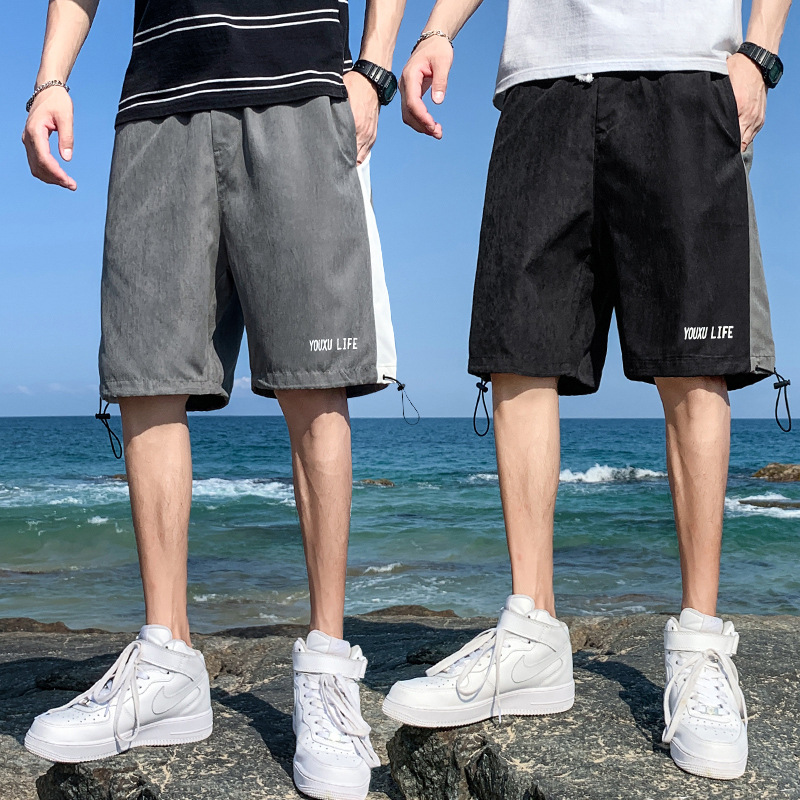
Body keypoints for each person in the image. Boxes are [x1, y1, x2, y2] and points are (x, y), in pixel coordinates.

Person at [383, 0, 790, 782]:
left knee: (694, 360)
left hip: (685, 69)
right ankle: (532, 632)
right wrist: (438, 31)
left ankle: (702, 642)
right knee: (519, 351)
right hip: (540, 80)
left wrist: (760, 53)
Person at [22, 1, 405, 797]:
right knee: (149, 376)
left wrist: (373, 69)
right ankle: (167, 662)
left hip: (298, 88)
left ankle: (327, 667)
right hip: (157, 102)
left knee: (316, 382)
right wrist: (50, 79)